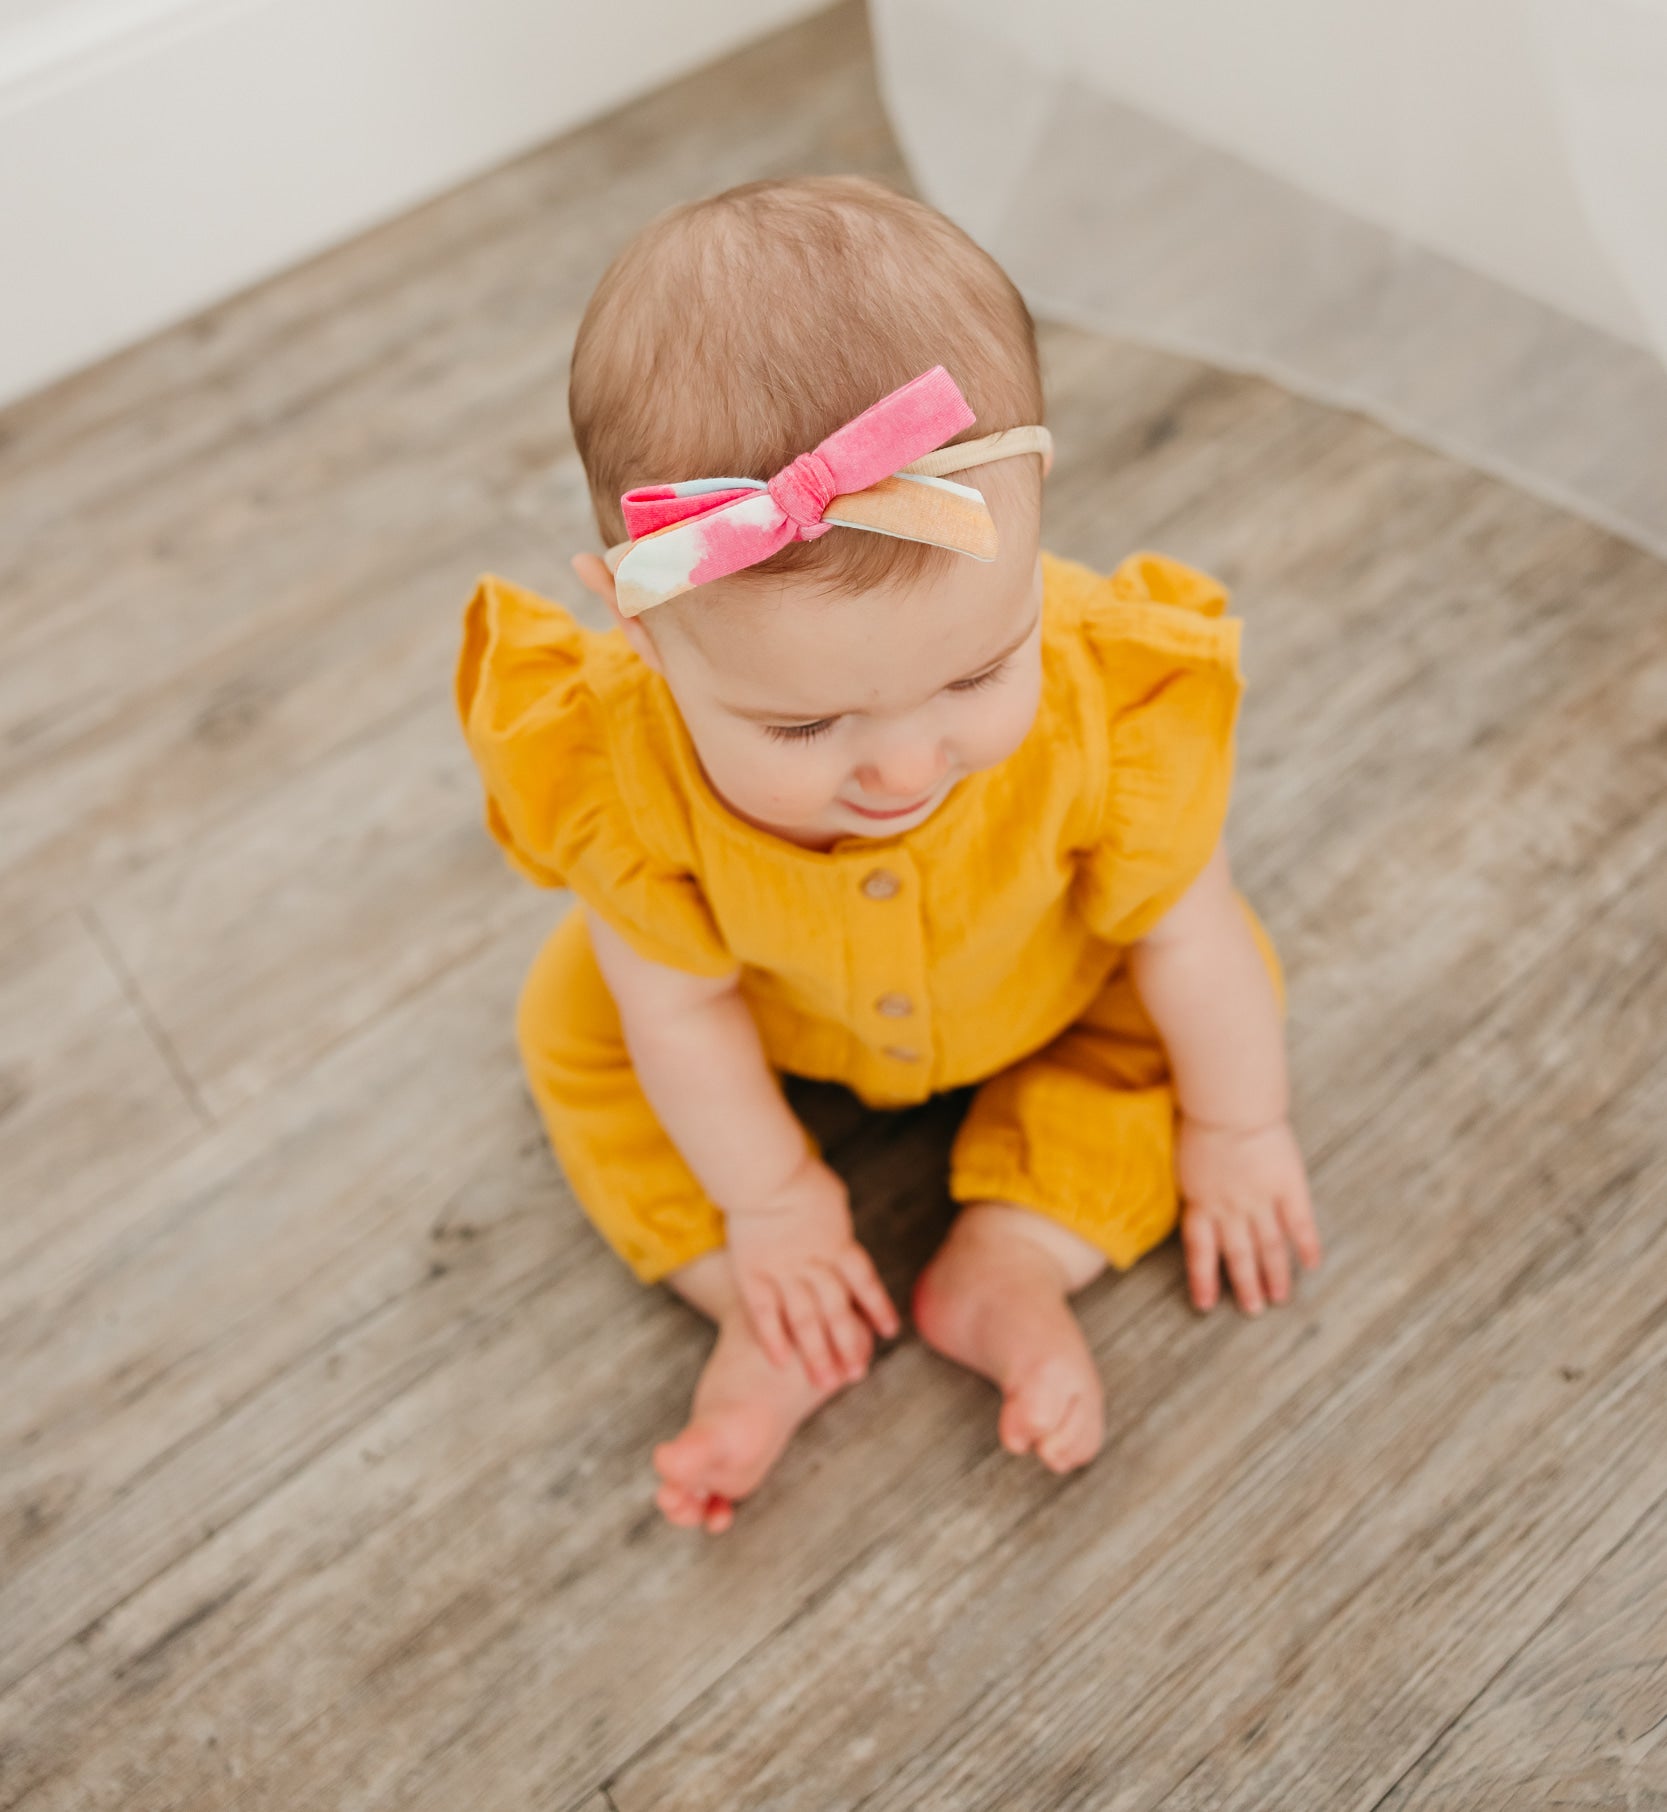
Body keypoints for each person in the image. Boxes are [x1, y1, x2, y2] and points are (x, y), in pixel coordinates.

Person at [456, 175, 1321, 1534]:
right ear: (642, 630)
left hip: (1042, 980)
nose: (906, 770)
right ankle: (771, 1308)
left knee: (1201, 1000)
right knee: (583, 1025)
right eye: (804, 724)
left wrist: (1239, 1127)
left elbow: (1185, 933)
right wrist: (774, 1202)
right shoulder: (625, 772)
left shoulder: (1106, 707)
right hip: (765, 1016)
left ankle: (1016, 1259)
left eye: (978, 673)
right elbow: (680, 1013)